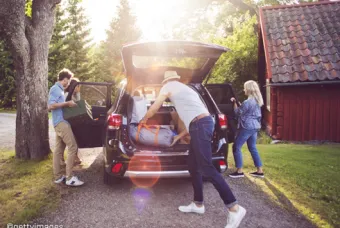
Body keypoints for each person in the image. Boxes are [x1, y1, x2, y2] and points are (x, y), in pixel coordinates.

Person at [140, 71, 246, 228]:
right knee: (193, 166)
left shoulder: (168, 86)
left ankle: (234, 208)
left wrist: (144, 119)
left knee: (207, 167)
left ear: (166, 82)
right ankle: (198, 204)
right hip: (200, 124)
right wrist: (179, 136)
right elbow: (195, 117)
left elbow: (156, 106)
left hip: (201, 125)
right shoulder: (187, 90)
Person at [48, 69, 84, 186]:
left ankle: (58, 177)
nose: (68, 84)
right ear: (64, 80)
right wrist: (67, 104)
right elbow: (51, 106)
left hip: (59, 123)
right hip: (61, 123)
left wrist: (68, 104)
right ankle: (69, 178)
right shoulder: (55, 89)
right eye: (67, 82)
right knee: (73, 147)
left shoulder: (60, 90)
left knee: (58, 151)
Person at [229, 80, 264, 178]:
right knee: (252, 147)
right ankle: (259, 171)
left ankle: (239, 171)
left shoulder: (248, 102)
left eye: (245, 87)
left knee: (236, 146)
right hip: (255, 126)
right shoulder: (257, 101)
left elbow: (237, 113)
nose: (244, 89)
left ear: (248, 89)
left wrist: (234, 103)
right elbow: (247, 111)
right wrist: (240, 104)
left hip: (247, 127)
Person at [64, 77, 82, 165]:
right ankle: (71, 158)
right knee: (67, 142)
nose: (79, 88)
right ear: (73, 86)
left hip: (73, 120)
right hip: (66, 121)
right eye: (78, 86)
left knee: (75, 138)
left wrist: (78, 93)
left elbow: (78, 104)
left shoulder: (75, 95)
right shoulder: (67, 95)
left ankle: (75, 156)